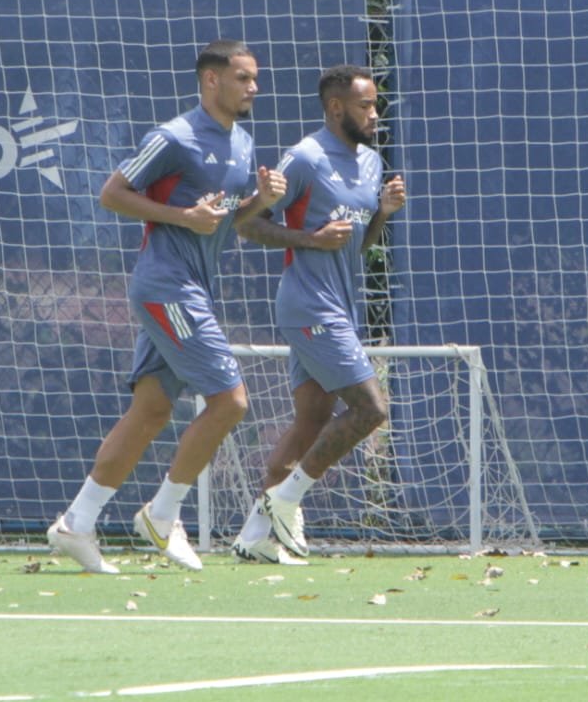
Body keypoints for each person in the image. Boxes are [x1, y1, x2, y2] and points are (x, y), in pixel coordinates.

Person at [47, 39, 285, 573]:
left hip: (191, 286)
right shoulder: (173, 137)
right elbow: (112, 194)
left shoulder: (243, 143)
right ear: (211, 81)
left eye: (255, 78)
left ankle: (77, 524)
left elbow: (228, 223)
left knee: (152, 409)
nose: (254, 88)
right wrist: (181, 218)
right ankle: (163, 513)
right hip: (166, 285)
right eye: (244, 78)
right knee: (230, 402)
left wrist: (261, 203)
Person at [231, 64, 406, 564]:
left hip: (340, 305)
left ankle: (252, 538)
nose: (375, 114)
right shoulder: (306, 158)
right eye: (365, 105)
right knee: (372, 409)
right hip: (308, 304)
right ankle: (284, 500)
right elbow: (250, 226)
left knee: (312, 418)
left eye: (376, 104)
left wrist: (382, 215)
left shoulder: (372, 163)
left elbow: (354, 245)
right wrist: (309, 238)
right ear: (335, 108)